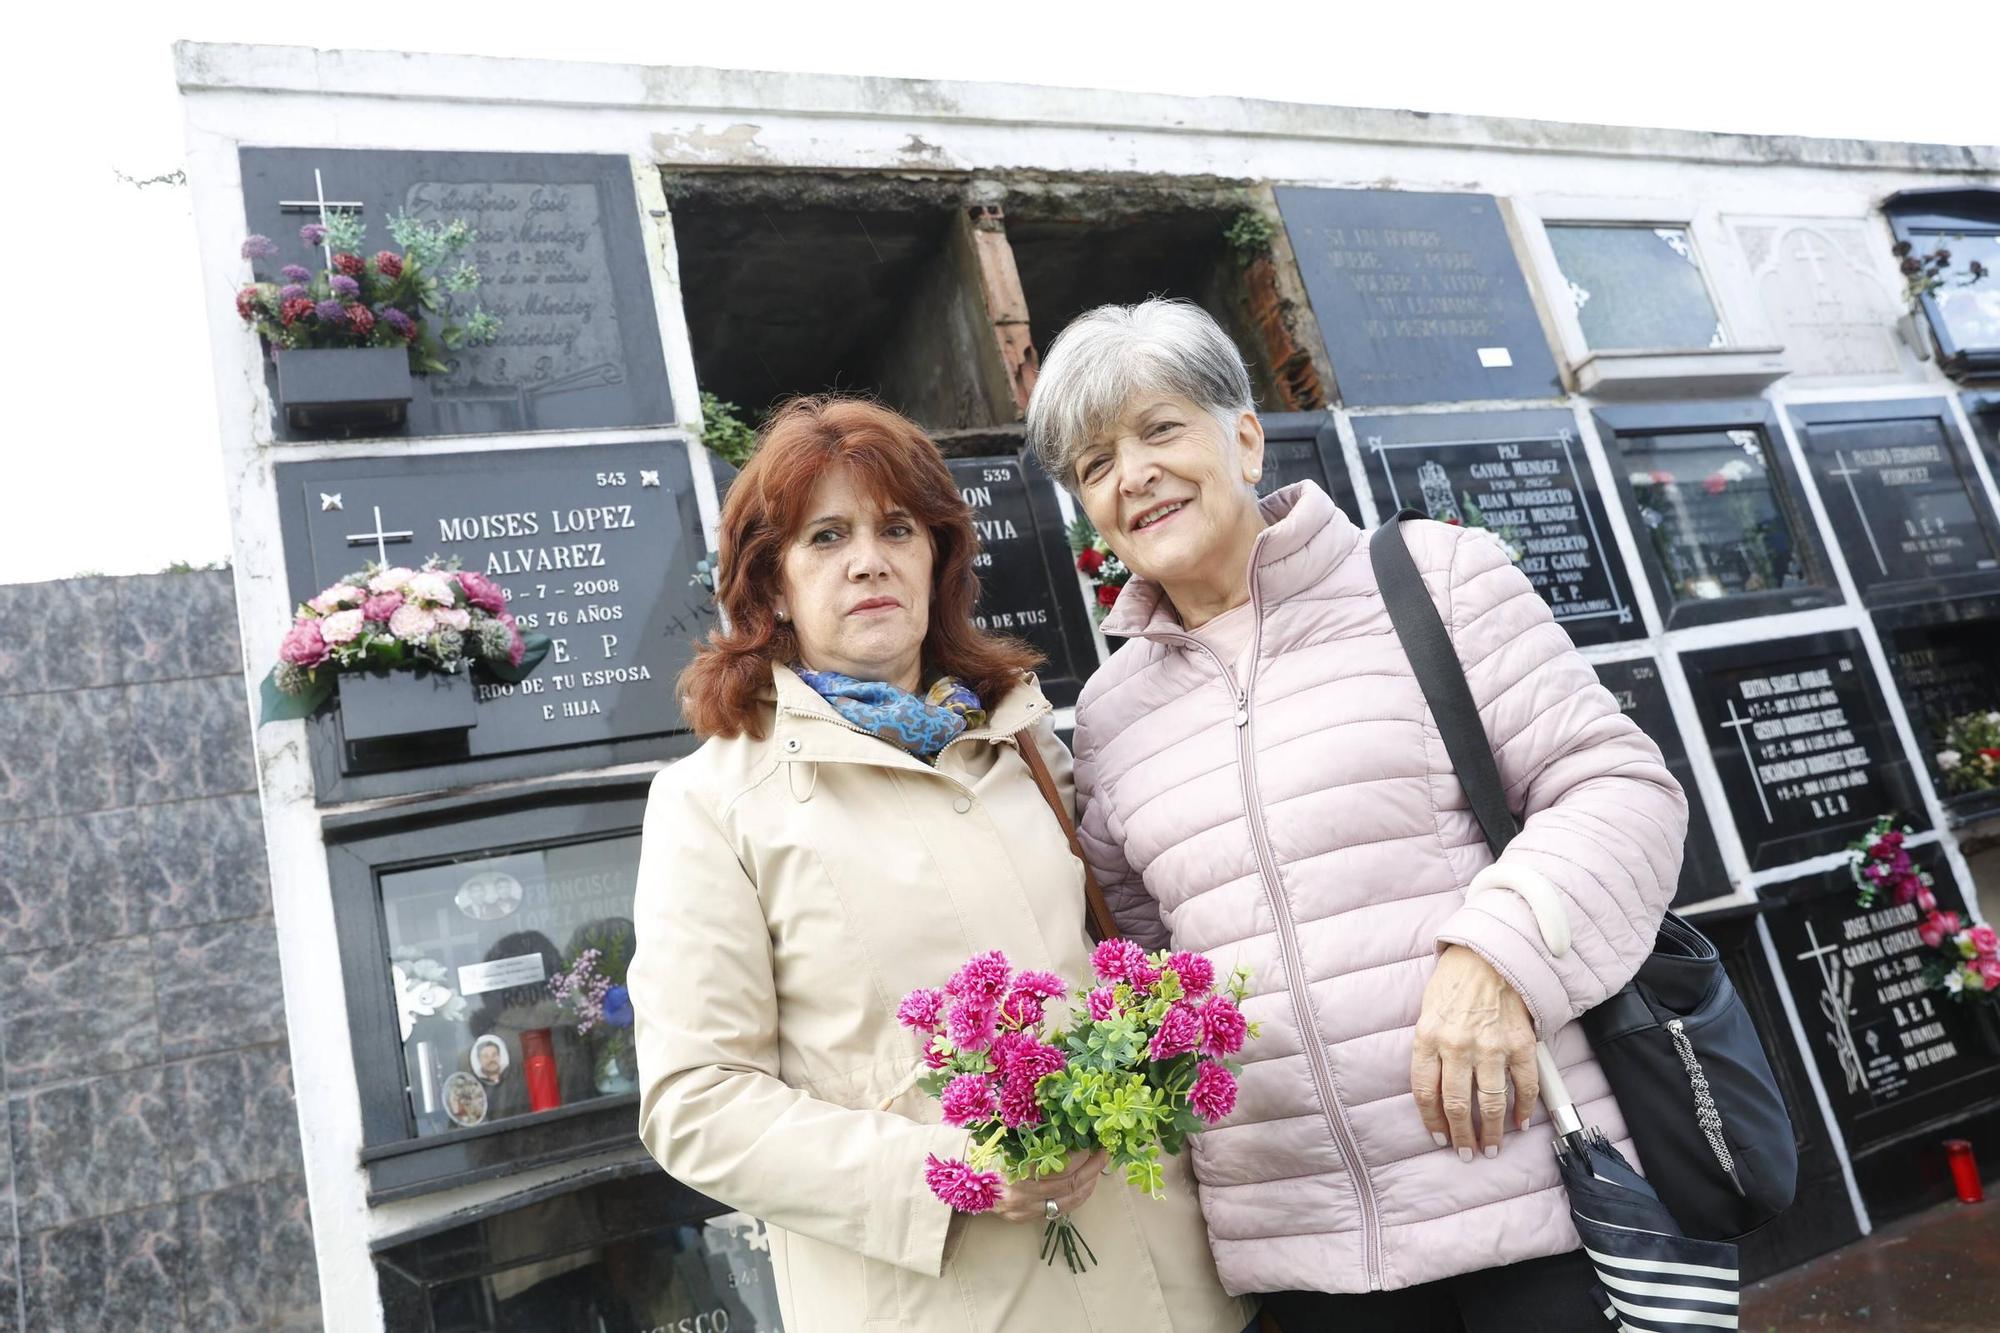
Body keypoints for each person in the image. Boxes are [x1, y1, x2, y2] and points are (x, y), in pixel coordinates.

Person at [1026, 300, 1688, 1330]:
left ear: (1242, 436)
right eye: (1093, 462)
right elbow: (1145, 955)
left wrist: (1497, 953)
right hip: (1303, 1251)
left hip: (1530, 1197)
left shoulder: (1434, 580)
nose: (1131, 474)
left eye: (1159, 429)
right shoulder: (1111, 716)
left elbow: (1614, 787)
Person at [630, 396, 1252, 1333]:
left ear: (938, 557)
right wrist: (953, 1170)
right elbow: (695, 1103)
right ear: (771, 585)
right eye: (825, 536)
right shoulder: (712, 804)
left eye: (897, 528)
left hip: (1178, 1290)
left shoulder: (1026, 744)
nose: (869, 558)